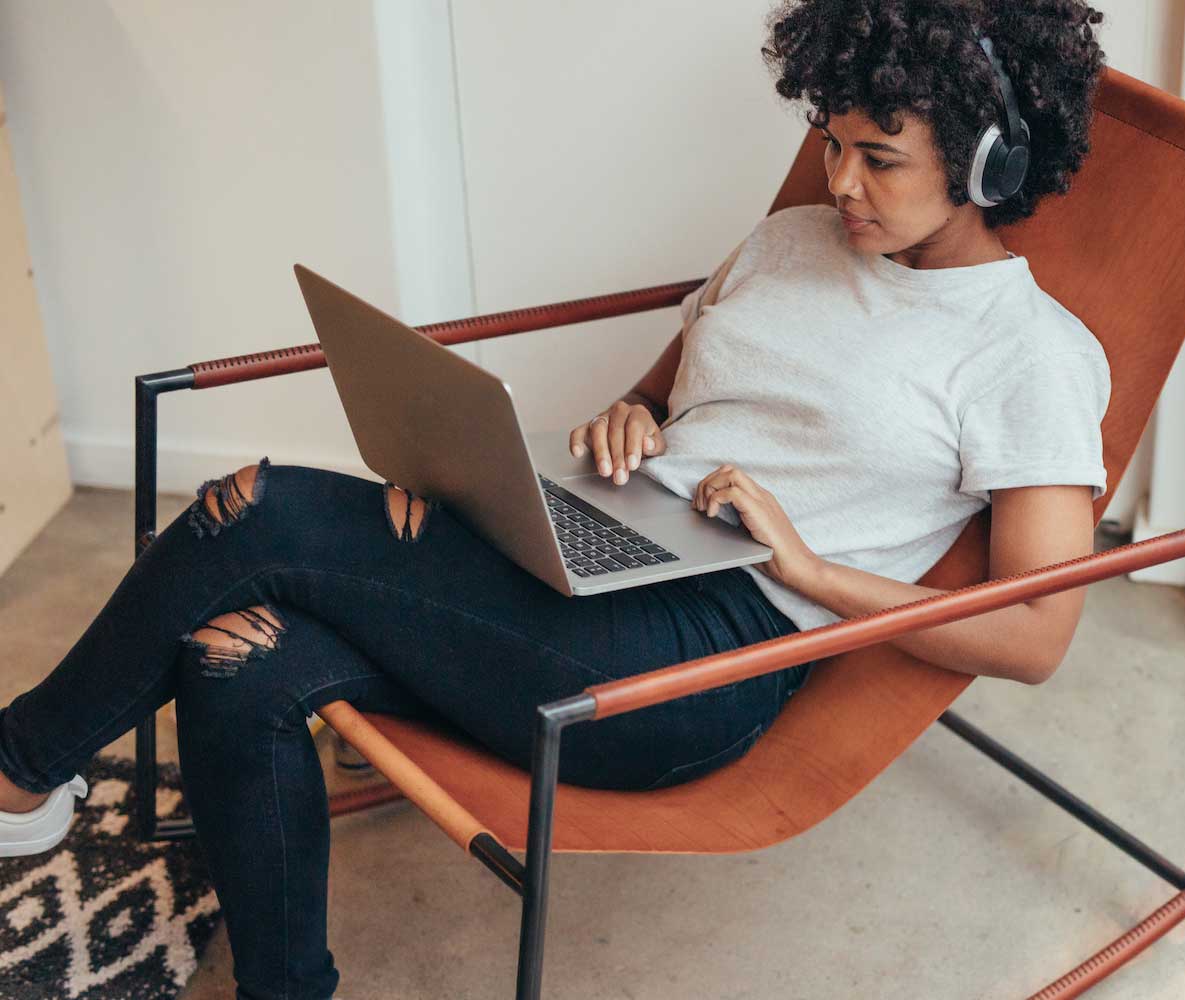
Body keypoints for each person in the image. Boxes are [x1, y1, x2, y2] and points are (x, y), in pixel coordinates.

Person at [0, 1, 1112, 997]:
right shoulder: (789, 241)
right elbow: (672, 392)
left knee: (259, 507)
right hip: (594, 546)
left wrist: (808, 570)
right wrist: (629, 416)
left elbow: (1037, 632)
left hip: (701, 661)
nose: (841, 183)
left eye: (881, 159)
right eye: (831, 144)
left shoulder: (1028, 357)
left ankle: (16, 769)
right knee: (237, 650)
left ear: (987, 166)